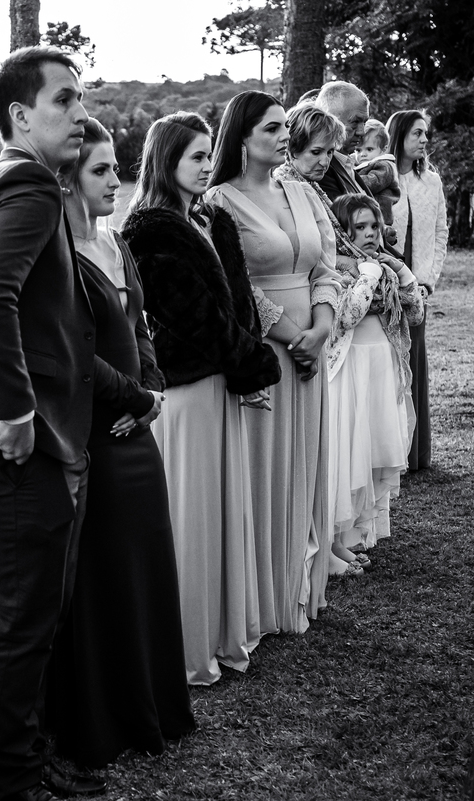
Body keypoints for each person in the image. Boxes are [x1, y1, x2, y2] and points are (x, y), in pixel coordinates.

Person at [0, 46, 150, 801]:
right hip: (16, 444)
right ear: (20, 116)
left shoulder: (9, 179)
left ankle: (30, 752)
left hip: (31, 437)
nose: (79, 112)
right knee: (26, 621)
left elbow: (48, 327)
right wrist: (19, 411)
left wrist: (118, 390)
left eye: (79, 98)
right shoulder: (27, 181)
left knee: (36, 614)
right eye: (63, 100)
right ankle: (12, 778)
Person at [44, 117, 195, 767]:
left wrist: (155, 389)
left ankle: (154, 703)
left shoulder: (116, 243)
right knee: (104, 578)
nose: (116, 180)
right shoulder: (54, 256)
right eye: (101, 170)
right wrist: (135, 399)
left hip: (140, 437)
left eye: (116, 168)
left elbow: (142, 330)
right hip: (95, 436)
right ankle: (103, 718)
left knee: (147, 566)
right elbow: (71, 355)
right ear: (66, 178)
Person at [122, 111, 281, 685]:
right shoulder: (148, 228)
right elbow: (193, 317)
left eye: (210, 152)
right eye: (195, 155)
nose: (207, 163)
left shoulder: (211, 217)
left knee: (224, 506)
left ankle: (222, 630)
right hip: (188, 384)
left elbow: (237, 300)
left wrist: (246, 367)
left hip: (224, 375)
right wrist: (255, 363)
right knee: (192, 512)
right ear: (165, 161)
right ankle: (187, 646)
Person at [206, 92, 340, 634]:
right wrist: (292, 336)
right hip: (266, 354)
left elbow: (326, 265)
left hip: (314, 346)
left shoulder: (301, 189)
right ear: (241, 136)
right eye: (271, 127)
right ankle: (264, 598)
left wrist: (323, 328)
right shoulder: (218, 200)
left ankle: (303, 587)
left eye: (285, 124)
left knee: (306, 465)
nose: (284, 134)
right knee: (265, 471)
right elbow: (232, 287)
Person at [325, 194, 423, 569]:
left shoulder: (386, 265)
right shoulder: (341, 266)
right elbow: (346, 316)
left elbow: (414, 314)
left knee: (371, 453)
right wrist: (369, 276)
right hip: (352, 366)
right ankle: (336, 537)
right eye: (359, 227)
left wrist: (403, 275)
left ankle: (357, 533)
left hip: (382, 365)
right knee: (350, 451)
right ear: (344, 231)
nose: (369, 234)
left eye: (373, 226)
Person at [387, 109, 448, 471]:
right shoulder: (379, 177)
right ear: (400, 137)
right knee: (388, 364)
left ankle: (416, 454)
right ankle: (390, 453)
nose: (425, 140)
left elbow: (441, 232)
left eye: (426, 134)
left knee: (415, 363)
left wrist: (429, 278)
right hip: (385, 285)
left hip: (418, 288)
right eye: (417, 134)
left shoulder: (433, 182)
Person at [354, 119, 401, 226]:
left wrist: (351, 178)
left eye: (369, 149)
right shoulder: (359, 163)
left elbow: (372, 183)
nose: (362, 154)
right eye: (358, 150)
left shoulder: (385, 166)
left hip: (380, 216)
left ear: (383, 150)